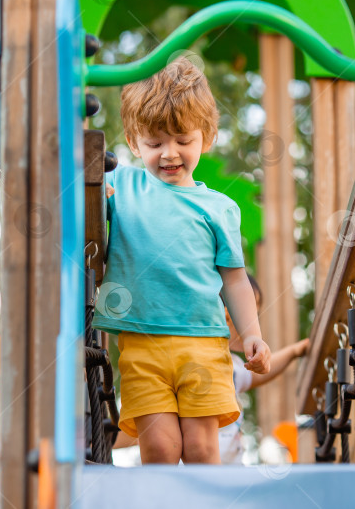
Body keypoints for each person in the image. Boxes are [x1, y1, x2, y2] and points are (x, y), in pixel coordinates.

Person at [93, 57, 271, 465]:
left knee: (203, 448)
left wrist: (253, 333)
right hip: (142, 341)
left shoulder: (219, 208)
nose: (169, 154)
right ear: (134, 142)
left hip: (204, 342)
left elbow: (235, 280)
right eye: (154, 143)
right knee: (158, 447)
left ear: (206, 138)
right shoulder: (119, 185)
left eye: (182, 140)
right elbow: (73, 188)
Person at [220, 274, 310, 464]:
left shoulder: (235, 366)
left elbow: (260, 375)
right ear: (228, 315)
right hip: (206, 469)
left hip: (230, 470)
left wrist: (294, 351)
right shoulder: (210, 364)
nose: (255, 323)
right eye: (252, 315)